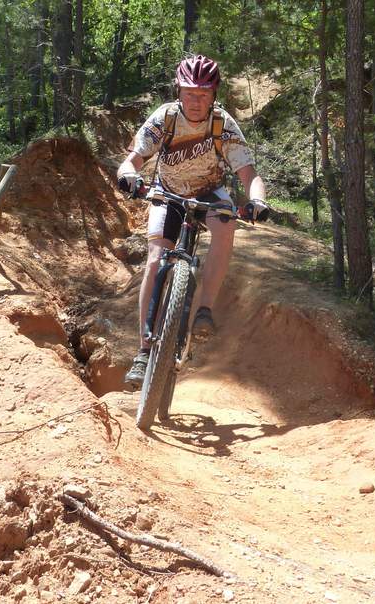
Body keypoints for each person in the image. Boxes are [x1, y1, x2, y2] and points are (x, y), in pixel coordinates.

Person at [116, 54, 270, 388]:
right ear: (178, 90)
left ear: (214, 95)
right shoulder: (166, 117)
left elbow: (247, 173)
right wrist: (128, 173)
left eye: (203, 94)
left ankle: (204, 310)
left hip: (209, 193)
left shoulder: (222, 123)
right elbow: (134, 158)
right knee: (156, 259)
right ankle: (143, 352)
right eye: (189, 93)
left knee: (226, 226)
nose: (195, 101)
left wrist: (257, 199)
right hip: (168, 191)